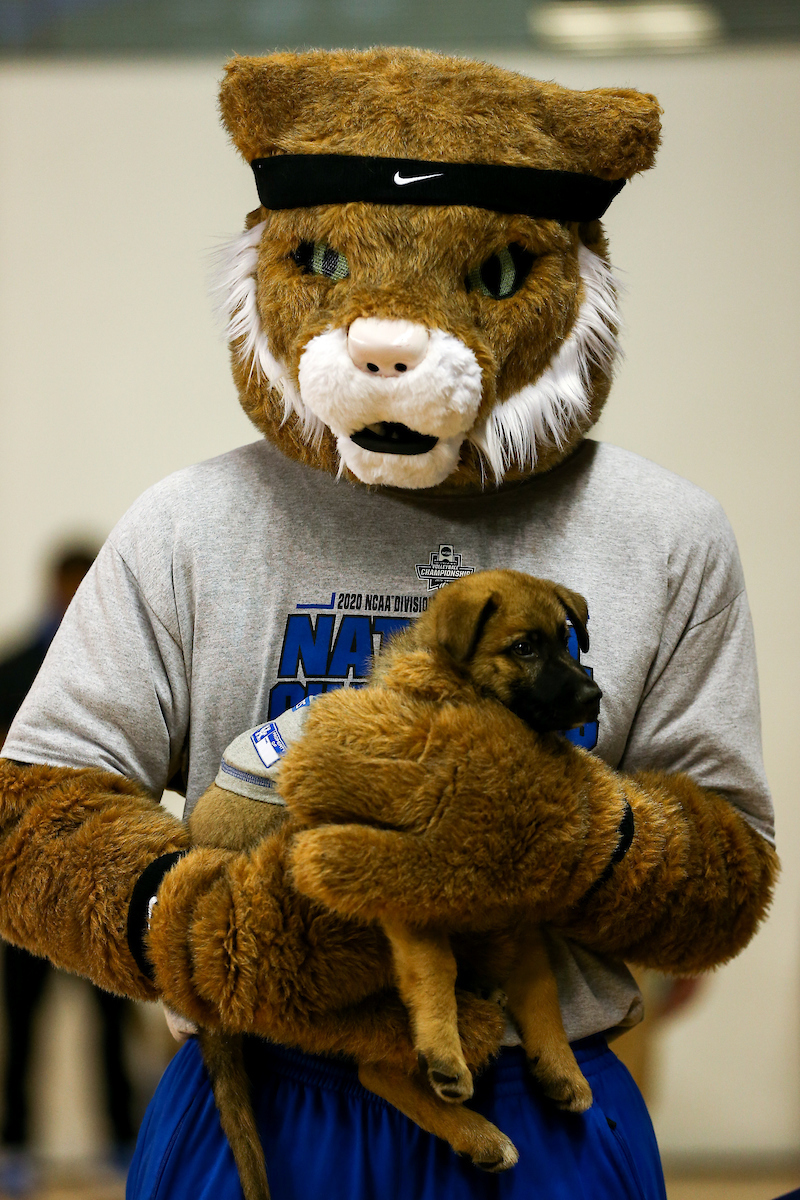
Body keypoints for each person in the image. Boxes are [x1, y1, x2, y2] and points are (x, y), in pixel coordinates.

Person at [0, 49, 776, 1200]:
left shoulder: (663, 531)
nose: (388, 336)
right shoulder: (188, 523)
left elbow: (724, 878)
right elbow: (28, 823)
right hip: (261, 1092)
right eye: (321, 263)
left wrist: (555, 830)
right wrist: (215, 929)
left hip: (540, 1094)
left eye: (496, 272)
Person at [0, 546, 136, 1192]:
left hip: (100, 873)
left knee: (113, 1016)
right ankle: (15, 1143)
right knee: (22, 1020)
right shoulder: (13, 667)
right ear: (55, 584)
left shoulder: (118, 667)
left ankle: (124, 1139)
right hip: (25, 876)